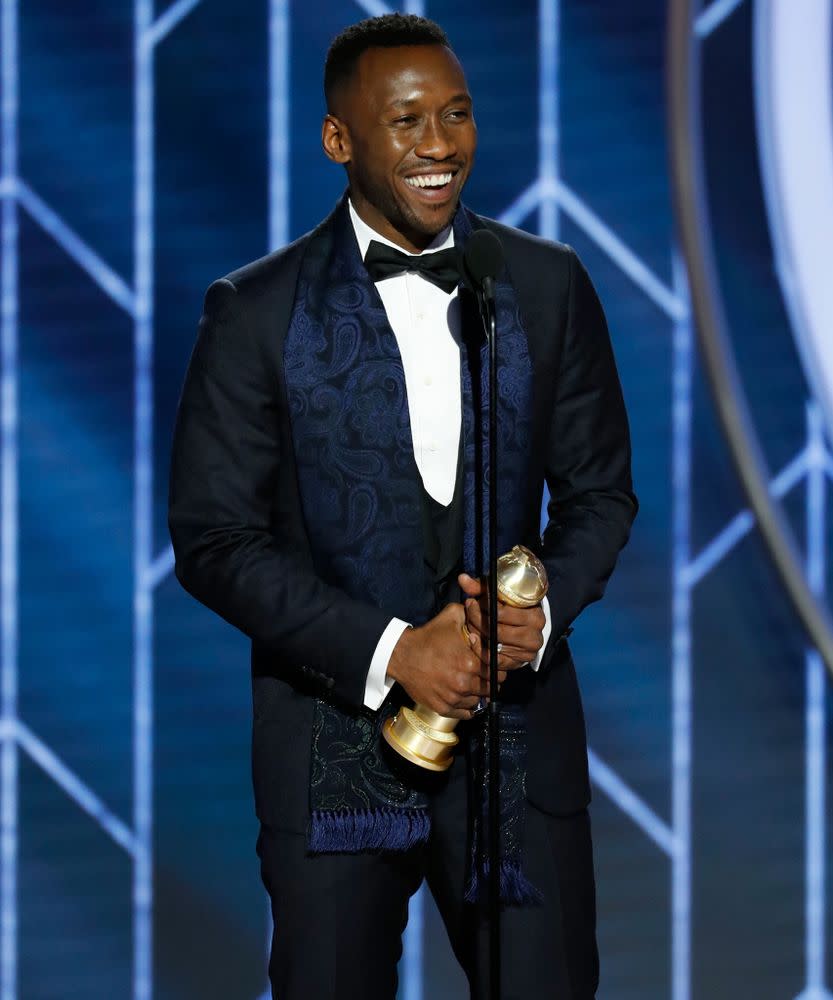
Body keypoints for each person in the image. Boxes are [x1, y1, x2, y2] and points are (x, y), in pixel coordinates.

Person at [168, 13, 636, 1000]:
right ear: (339, 139)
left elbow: (598, 494)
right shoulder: (254, 313)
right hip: (334, 748)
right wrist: (391, 649)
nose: (439, 145)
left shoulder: (547, 286)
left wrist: (539, 609)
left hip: (516, 749)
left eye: (457, 114)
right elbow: (214, 540)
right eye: (408, 120)